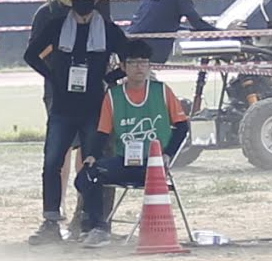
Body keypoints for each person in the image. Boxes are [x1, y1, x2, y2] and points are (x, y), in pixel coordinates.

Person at [28, 0, 123, 241]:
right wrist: (52, 76)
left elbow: (131, 56)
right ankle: (50, 222)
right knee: (52, 163)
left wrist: (108, 78)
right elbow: (30, 54)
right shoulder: (57, 25)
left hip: (94, 106)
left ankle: (94, 224)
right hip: (62, 108)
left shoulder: (107, 28)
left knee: (93, 162)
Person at [72, 49, 194, 239]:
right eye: (134, 63)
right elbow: (103, 131)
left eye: (144, 62)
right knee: (86, 176)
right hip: (125, 162)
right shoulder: (113, 96)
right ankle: (97, 227)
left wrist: (168, 154)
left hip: (153, 165)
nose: (139, 68)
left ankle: (97, 227)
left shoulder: (161, 91)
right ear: (123, 67)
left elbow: (182, 126)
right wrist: (93, 155)